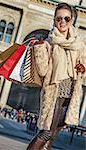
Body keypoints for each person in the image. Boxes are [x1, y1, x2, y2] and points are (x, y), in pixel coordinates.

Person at [26, 2, 86, 150]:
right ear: (54, 20)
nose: (62, 22)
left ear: (71, 20)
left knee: (52, 135)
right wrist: (39, 49)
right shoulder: (49, 43)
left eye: (66, 18)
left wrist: (82, 68)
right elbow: (42, 71)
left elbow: (83, 68)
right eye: (59, 19)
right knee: (45, 133)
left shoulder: (79, 44)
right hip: (55, 94)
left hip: (70, 96)